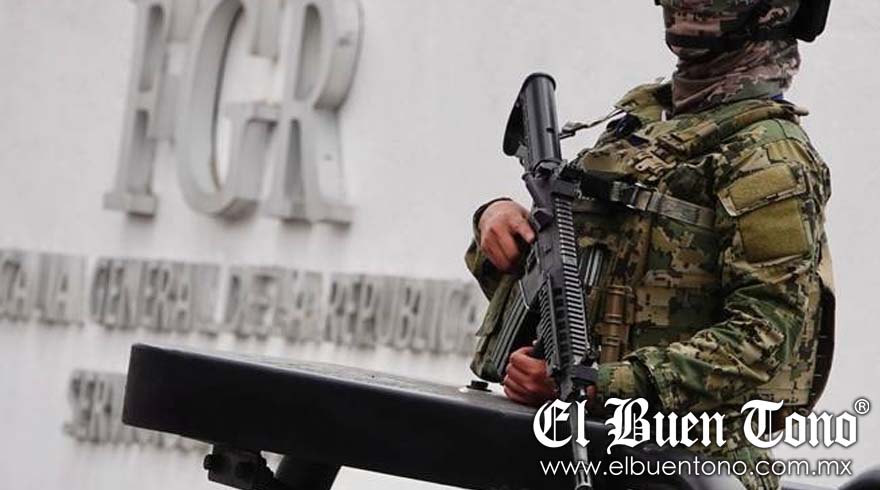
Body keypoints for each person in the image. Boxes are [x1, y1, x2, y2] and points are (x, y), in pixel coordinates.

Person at [465, 2, 834, 489]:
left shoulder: (770, 159)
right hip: (572, 450)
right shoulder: (642, 125)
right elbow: (585, 283)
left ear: (774, 9)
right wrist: (496, 219)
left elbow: (760, 342)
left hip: (690, 466)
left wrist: (595, 387)